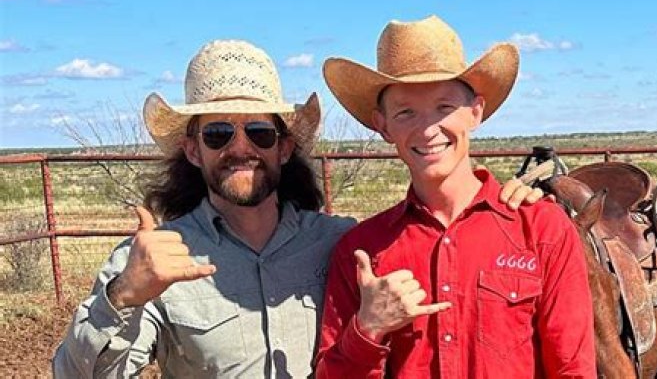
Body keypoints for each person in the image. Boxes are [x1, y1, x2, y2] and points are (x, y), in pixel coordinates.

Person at [53, 39, 542, 377]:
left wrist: (510, 206)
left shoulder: (343, 245)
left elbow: (440, 246)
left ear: (284, 148)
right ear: (193, 150)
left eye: (259, 132)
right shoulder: (153, 261)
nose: (240, 148)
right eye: (218, 133)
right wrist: (122, 297)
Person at [315, 15, 596, 378]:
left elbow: (573, 369)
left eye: (444, 107)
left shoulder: (542, 229)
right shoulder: (361, 252)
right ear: (382, 126)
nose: (428, 129)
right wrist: (368, 329)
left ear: (475, 112)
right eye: (406, 112)